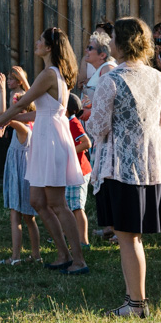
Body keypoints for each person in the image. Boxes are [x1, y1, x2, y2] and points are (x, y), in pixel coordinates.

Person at [0, 27, 87, 276]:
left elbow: (23, 103)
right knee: (37, 201)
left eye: (40, 41)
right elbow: (38, 112)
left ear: (49, 47)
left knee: (57, 203)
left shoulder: (49, 74)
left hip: (52, 141)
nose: (36, 43)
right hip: (44, 138)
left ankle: (78, 260)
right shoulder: (52, 74)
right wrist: (3, 122)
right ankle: (63, 254)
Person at [86, 17, 161, 318]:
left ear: (120, 43)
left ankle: (136, 304)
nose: (109, 44)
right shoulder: (157, 76)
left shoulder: (112, 79)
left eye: (112, 39)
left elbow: (97, 126)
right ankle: (133, 299)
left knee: (127, 237)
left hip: (121, 165)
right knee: (131, 237)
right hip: (151, 163)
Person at [0, 67, 41, 265]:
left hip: (20, 171)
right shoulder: (31, 125)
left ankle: (15, 257)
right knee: (29, 217)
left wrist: (1, 91)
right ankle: (36, 255)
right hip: (28, 171)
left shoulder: (22, 127)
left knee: (15, 215)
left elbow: (2, 114)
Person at [65, 93, 92, 249]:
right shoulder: (65, 122)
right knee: (67, 205)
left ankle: (84, 241)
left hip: (80, 172)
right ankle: (67, 235)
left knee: (77, 207)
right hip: (71, 171)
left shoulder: (73, 123)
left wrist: (68, 151)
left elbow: (86, 143)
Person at [79, 30, 116, 122]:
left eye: (90, 48)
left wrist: (90, 112)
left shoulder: (107, 68)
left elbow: (110, 102)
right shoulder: (102, 69)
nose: (86, 50)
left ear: (102, 55)